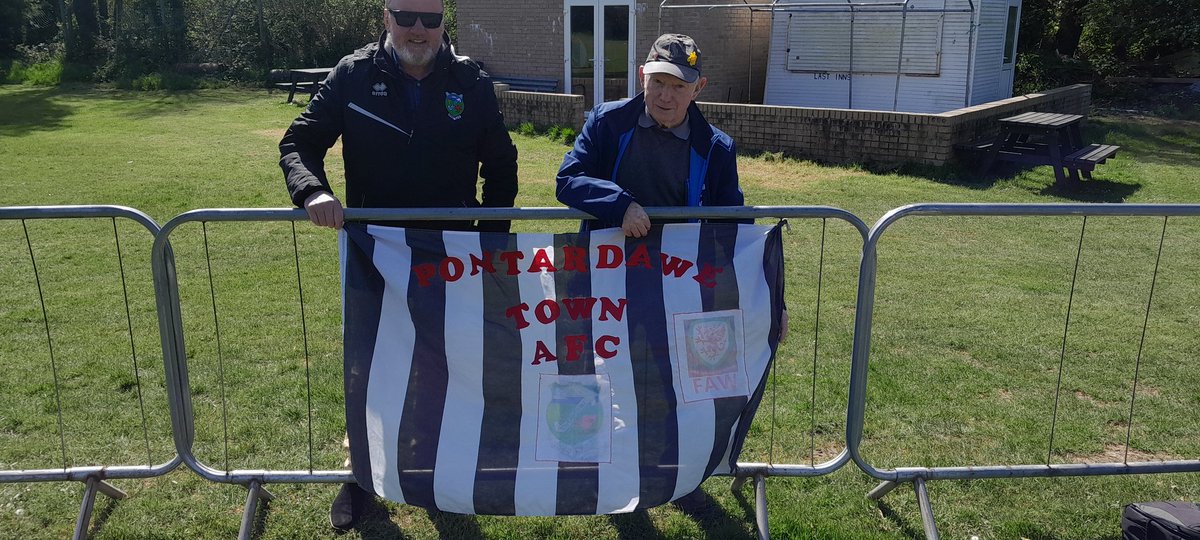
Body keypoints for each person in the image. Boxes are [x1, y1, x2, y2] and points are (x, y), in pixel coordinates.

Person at [278, 0, 518, 530]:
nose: (418, 29)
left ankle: (436, 473)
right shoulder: (353, 74)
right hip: (375, 254)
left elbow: (502, 166)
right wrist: (312, 190)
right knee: (369, 365)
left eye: (431, 19)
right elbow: (298, 142)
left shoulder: (471, 81)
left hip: (451, 256)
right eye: (406, 15)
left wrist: (490, 247)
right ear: (385, 18)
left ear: (443, 24)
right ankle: (358, 476)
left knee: (443, 363)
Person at [555, 33, 744, 237]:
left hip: (680, 264)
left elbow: (733, 226)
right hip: (610, 262)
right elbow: (568, 180)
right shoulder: (606, 122)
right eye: (658, 82)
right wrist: (620, 205)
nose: (665, 96)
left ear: (698, 88)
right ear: (642, 77)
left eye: (679, 86)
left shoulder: (717, 148)